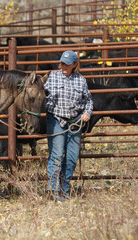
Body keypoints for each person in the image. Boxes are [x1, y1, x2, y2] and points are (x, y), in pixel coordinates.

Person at [44, 50, 93, 201]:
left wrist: (87, 113)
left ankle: (64, 190)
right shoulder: (52, 77)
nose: (64, 66)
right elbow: (42, 96)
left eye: (67, 63)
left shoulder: (81, 80)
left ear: (74, 65)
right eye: (62, 63)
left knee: (71, 157)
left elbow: (89, 100)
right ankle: (53, 191)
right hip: (56, 119)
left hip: (75, 121)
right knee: (57, 155)